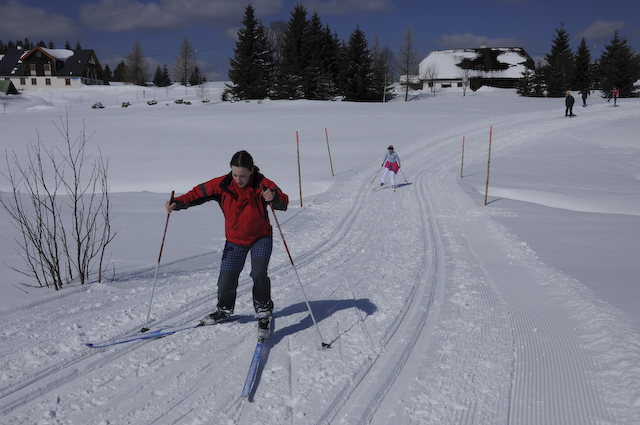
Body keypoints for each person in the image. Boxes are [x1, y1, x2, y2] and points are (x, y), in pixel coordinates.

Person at [166, 150, 289, 336]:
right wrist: (178, 203)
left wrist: (275, 198)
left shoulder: (263, 184)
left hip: (260, 237)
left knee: (258, 272)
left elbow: (283, 200)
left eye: (243, 175)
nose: (238, 179)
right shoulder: (222, 184)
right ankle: (224, 309)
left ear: (252, 171)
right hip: (235, 240)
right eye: (235, 174)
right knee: (226, 279)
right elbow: (198, 193)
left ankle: (263, 308)